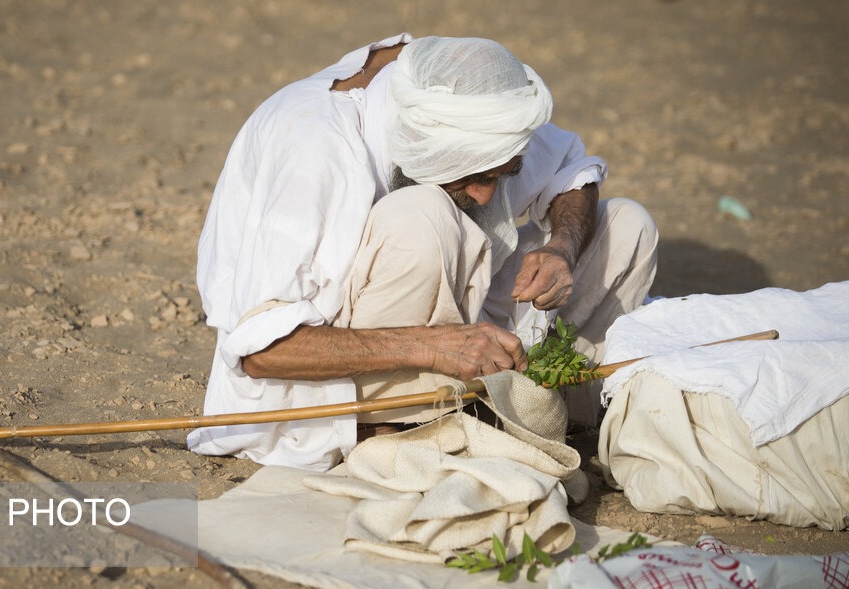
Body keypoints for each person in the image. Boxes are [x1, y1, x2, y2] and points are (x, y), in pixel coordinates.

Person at [187, 34, 658, 471]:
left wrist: (561, 248)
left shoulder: (458, 100)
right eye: (478, 176)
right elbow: (261, 352)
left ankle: (538, 410)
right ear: (428, 149)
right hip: (324, 386)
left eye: (503, 174)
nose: (488, 197)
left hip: (455, 338)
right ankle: (401, 424)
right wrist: (437, 346)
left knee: (626, 227)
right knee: (424, 215)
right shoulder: (316, 151)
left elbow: (571, 172)